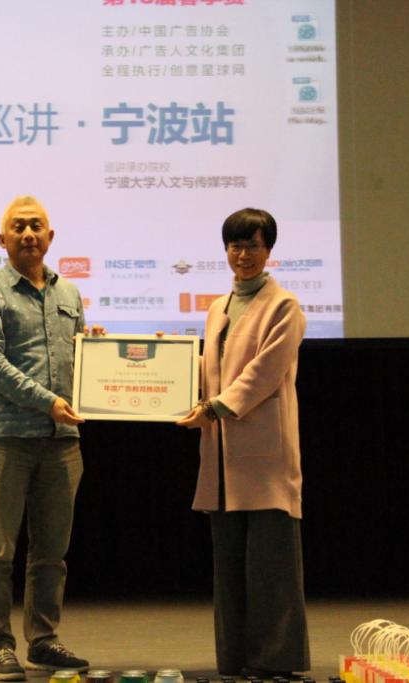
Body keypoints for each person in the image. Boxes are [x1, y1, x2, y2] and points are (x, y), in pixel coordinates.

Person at [177, 207, 310, 679]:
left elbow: (263, 373)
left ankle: (275, 661)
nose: (243, 254)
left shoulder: (285, 306)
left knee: (271, 567)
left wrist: (215, 407)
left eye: (253, 245)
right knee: (230, 566)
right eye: (235, 245)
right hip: (221, 455)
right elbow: (210, 370)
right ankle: (235, 660)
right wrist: (161, 364)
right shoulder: (218, 307)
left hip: (265, 454)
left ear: (268, 250)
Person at [0, 195, 94, 681]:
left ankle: (43, 640)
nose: (28, 234)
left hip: (62, 440)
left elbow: (79, 359)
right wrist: (47, 401)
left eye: (36, 226)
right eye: (18, 227)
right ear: (2, 239)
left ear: (50, 236)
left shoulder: (70, 294)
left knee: (51, 554)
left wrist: (102, 354)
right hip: (6, 439)